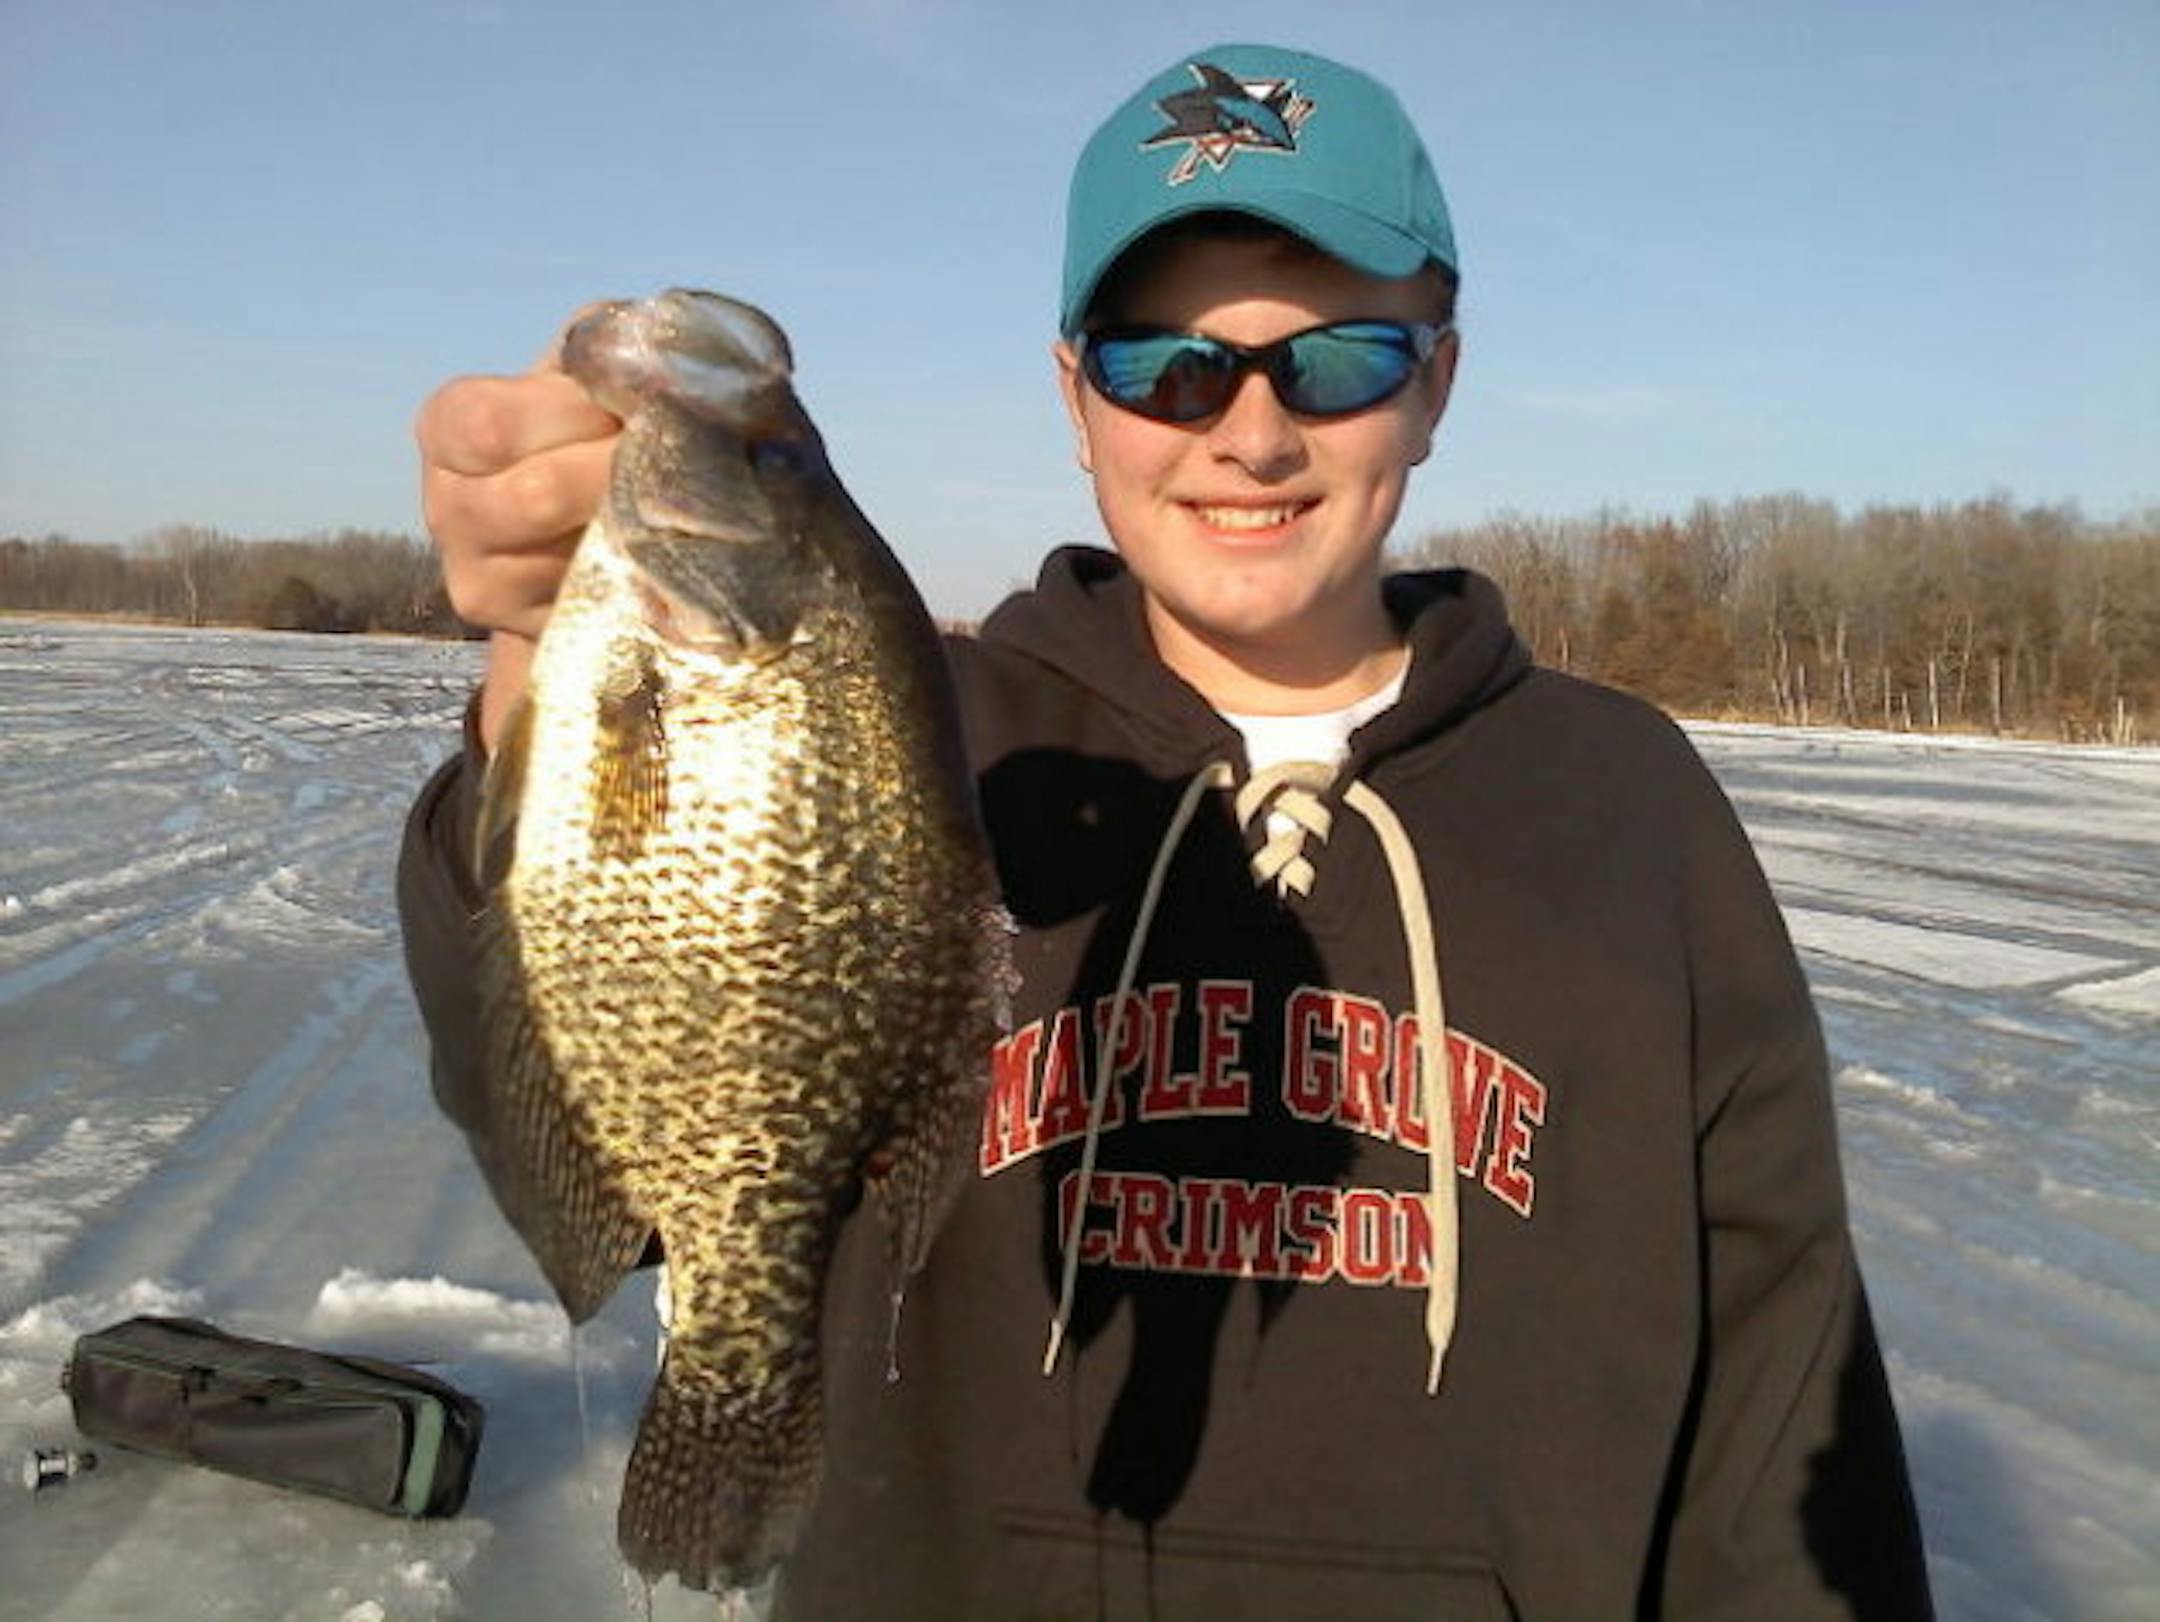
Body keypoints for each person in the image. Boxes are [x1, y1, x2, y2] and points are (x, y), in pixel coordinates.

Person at [397, 42, 1934, 1621]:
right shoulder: (925, 747)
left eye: (1338, 359)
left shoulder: (1629, 807)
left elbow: (1782, 1408)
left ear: (1436, 386)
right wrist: (536, 673)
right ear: (1079, 398)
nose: (1250, 434)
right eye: (1167, 367)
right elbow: (586, 1103)